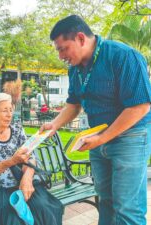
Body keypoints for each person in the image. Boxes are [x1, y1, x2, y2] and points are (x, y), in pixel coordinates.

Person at [40, 15, 151, 225]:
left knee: (127, 208)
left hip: (131, 138)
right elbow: (73, 104)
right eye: (58, 50)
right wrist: (54, 124)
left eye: (63, 48)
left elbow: (140, 106)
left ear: (81, 38)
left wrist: (102, 138)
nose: (60, 55)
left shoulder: (124, 56)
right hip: (97, 139)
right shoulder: (75, 68)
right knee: (106, 202)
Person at [0, 92, 63, 225]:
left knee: (44, 209)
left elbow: (31, 157)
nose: (9, 114)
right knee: (12, 219)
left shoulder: (17, 129)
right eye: (4, 110)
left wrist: (27, 179)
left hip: (21, 182)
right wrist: (12, 161)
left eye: (11, 109)